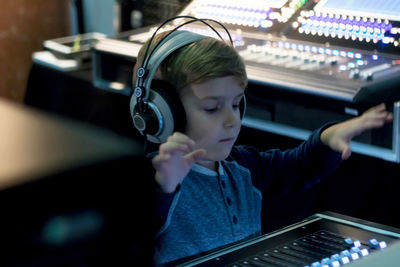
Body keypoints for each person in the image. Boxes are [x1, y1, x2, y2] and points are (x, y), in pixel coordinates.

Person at [132, 28, 393, 265]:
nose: (232, 120)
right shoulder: (151, 178)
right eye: (212, 108)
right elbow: (132, 233)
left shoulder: (244, 166)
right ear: (161, 113)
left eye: (236, 104)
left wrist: (327, 139)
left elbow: (296, 167)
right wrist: (164, 187)